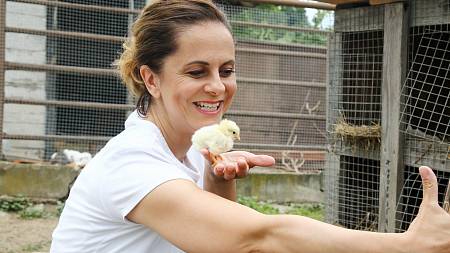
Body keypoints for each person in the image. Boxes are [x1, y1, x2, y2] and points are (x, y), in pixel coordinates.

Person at [50, 0, 450, 252]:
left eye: (226, 70)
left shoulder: (187, 146)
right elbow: (256, 238)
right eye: (196, 71)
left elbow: (216, 243)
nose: (218, 86)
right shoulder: (132, 164)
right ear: (151, 79)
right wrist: (408, 246)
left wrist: (216, 177)